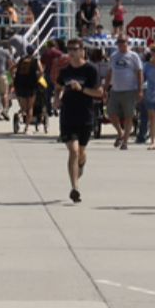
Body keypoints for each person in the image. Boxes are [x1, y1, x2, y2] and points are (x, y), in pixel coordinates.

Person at [55, 38, 103, 203]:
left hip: (85, 115)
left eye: (75, 49)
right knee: (73, 151)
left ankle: (81, 164)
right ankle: (74, 188)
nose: (72, 52)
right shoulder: (65, 71)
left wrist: (81, 89)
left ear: (82, 51)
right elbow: (58, 86)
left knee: (81, 151)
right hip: (68, 115)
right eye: (69, 49)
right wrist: (56, 98)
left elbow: (99, 92)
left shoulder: (90, 70)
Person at [104, 35, 144, 150]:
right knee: (110, 113)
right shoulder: (113, 56)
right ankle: (120, 132)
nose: (121, 43)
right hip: (115, 90)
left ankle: (125, 141)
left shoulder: (134, 56)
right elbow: (109, 73)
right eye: (119, 41)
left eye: (123, 41)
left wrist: (140, 90)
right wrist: (105, 89)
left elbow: (139, 73)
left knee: (128, 115)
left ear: (127, 42)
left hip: (129, 90)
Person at [11, 45, 44, 134]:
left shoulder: (21, 60)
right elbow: (41, 71)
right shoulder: (35, 60)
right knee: (30, 108)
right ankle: (26, 128)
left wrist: (13, 78)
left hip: (20, 84)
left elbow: (11, 68)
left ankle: (19, 116)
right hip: (31, 84)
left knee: (23, 107)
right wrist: (38, 78)